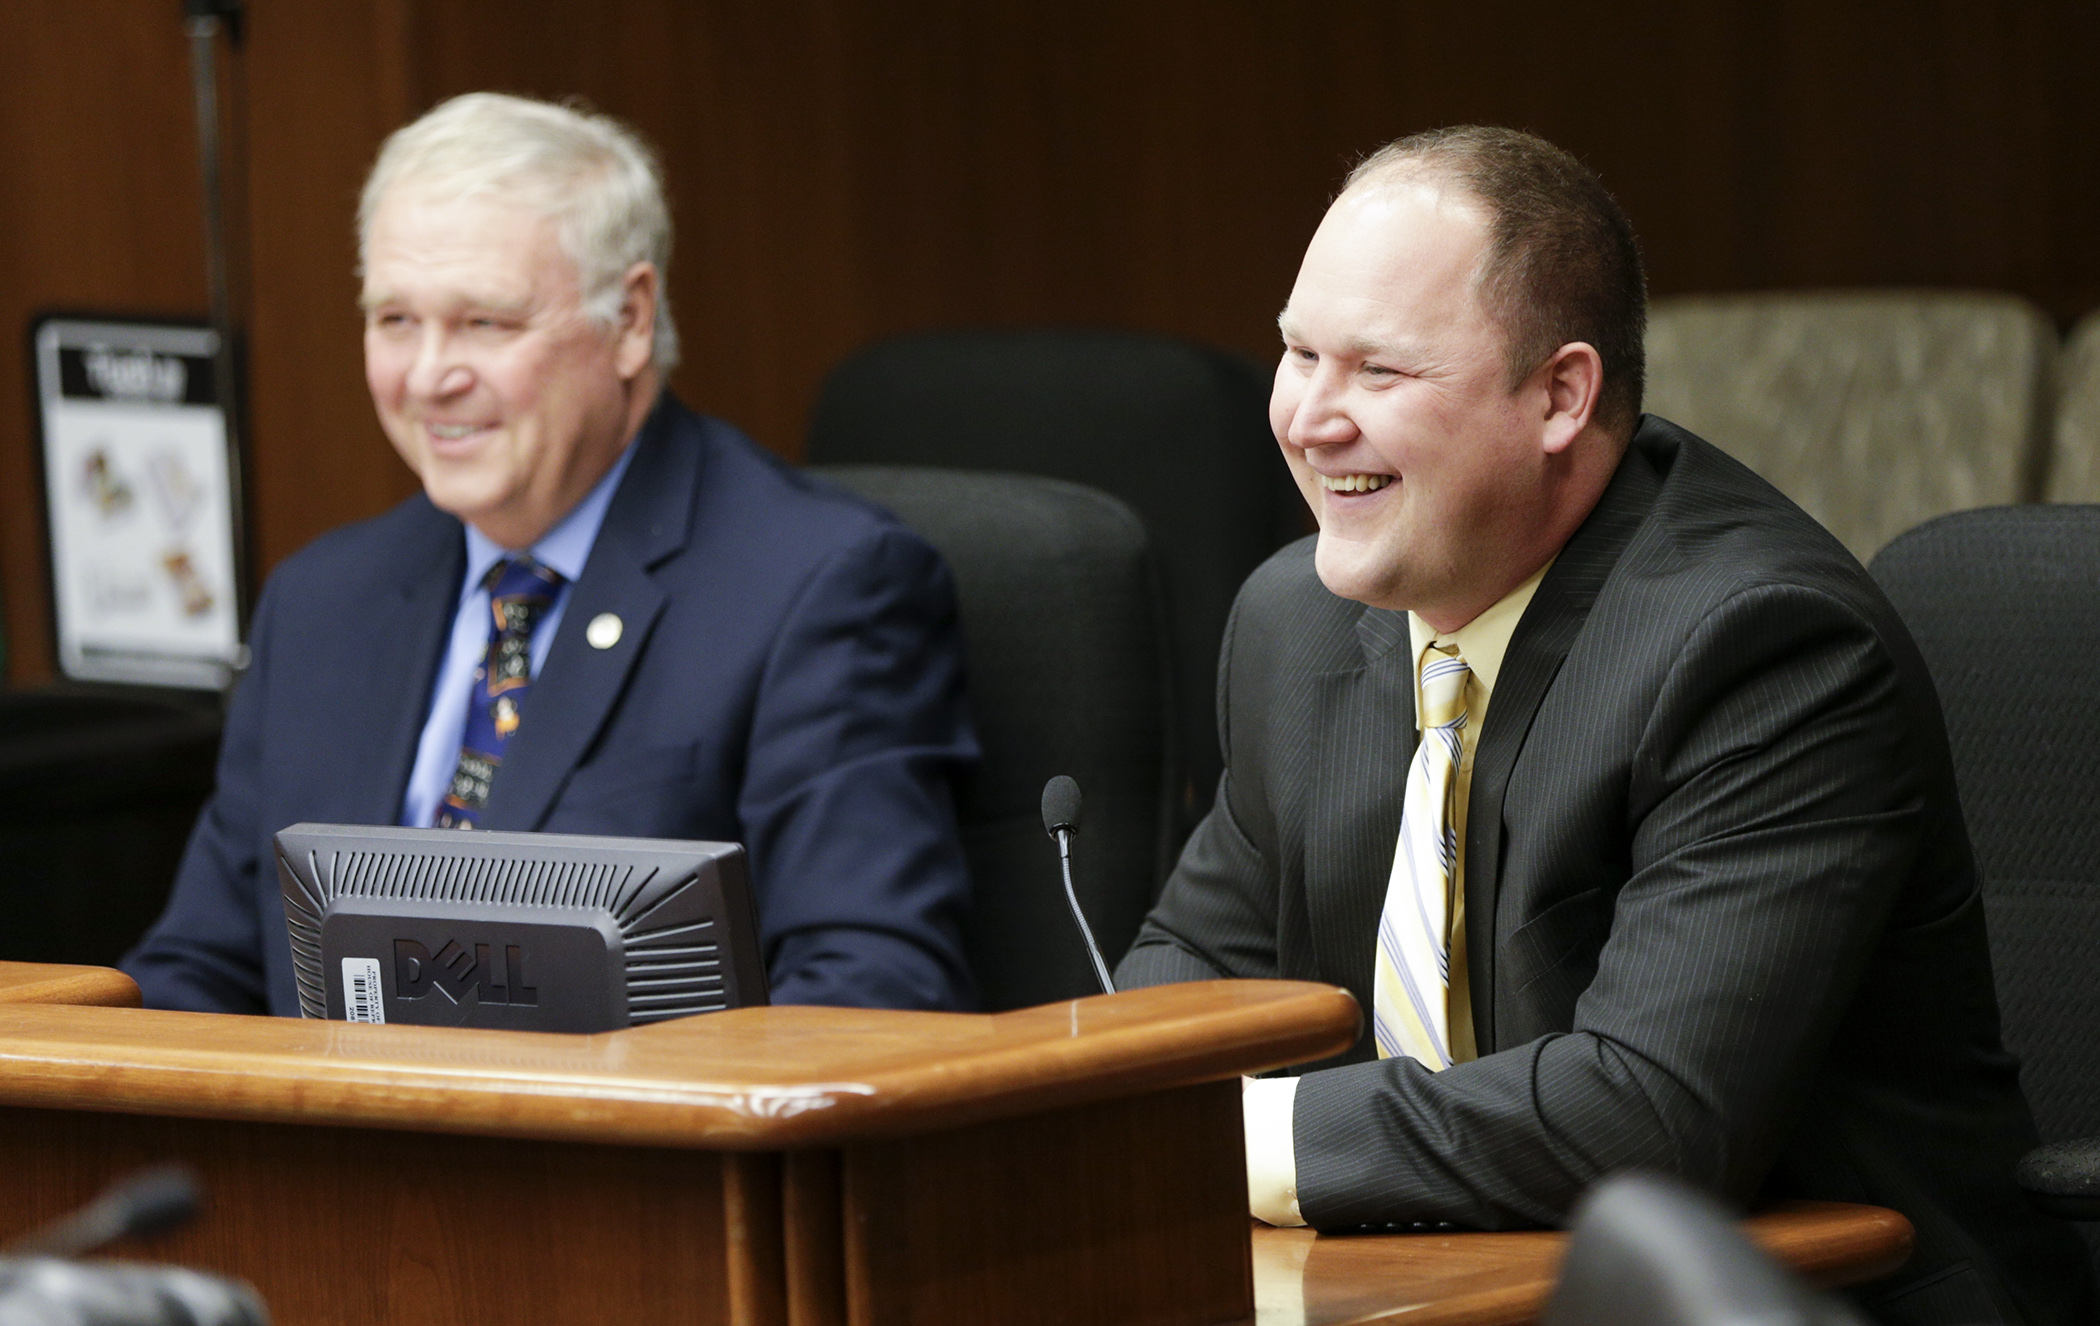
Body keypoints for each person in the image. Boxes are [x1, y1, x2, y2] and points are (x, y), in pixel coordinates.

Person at [1117, 126, 2094, 1324]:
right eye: (1297, 352)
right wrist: (1115, 1107)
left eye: (1379, 373)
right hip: (1435, 1287)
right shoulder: (1296, 623)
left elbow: (1649, 1115)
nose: (1309, 418)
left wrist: (1232, 1142)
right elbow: (1189, 978)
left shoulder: (1762, 646)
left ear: (1560, 397)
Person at [124, 93, 978, 1015]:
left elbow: (874, 991)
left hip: (638, 1152)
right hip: (336, 1151)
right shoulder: (322, 602)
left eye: (486, 323)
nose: (429, 377)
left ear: (632, 319)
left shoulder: (816, 587)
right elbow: (197, 976)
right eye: (395, 320)